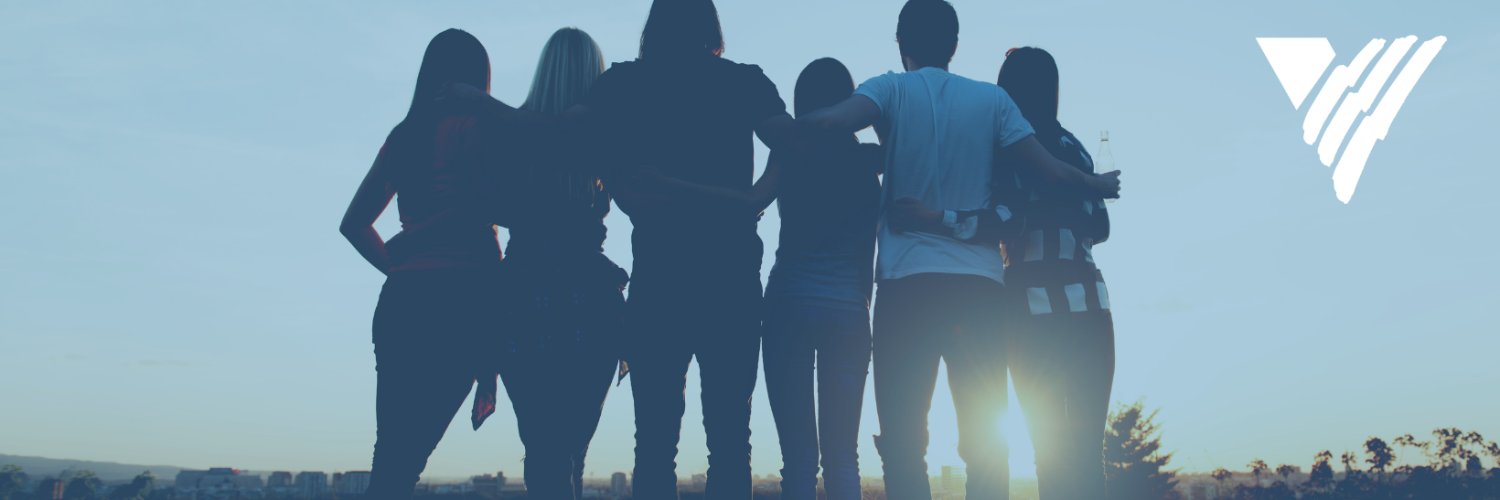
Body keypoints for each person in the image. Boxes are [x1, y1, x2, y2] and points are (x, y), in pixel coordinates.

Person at [792, 2, 1121, 499]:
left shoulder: (891, 88)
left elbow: (831, 123)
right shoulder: (997, 106)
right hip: (989, 292)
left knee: (905, 443)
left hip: (913, 288)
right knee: (988, 447)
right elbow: (1058, 182)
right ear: (955, 45)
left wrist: (791, 126)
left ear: (901, 44)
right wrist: (1092, 182)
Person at [339, 29, 507, 499]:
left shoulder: (405, 136)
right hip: (466, 301)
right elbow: (499, 228)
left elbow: (354, 224)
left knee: (391, 456)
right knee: (409, 459)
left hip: (405, 303)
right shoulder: (485, 129)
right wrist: (489, 371)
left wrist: (398, 268)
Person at [492, 27, 629, 500]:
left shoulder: (509, 131)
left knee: (542, 446)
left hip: (521, 300)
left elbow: (489, 206)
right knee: (572, 448)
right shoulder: (605, 133)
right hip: (589, 301)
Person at [995, 47, 1115, 500]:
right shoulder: (1076, 149)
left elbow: (1004, 219)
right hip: (1091, 305)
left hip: (1029, 308)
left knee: (1048, 454)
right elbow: (1101, 225)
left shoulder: (1003, 150)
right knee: (1088, 454)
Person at [760, 58, 881, 500]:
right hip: (848, 316)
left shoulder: (790, 151)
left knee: (798, 461)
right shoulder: (870, 161)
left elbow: (753, 200)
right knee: (842, 458)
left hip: (787, 306)